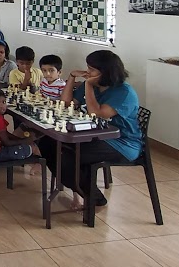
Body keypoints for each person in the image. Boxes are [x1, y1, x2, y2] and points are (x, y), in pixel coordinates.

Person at [39, 50, 141, 211]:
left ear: (105, 72)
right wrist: (72, 77)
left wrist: (87, 85)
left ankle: (93, 197)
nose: (87, 72)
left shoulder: (123, 92)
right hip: (91, 136)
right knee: (47, 143)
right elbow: (65, 103)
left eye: (91, 69)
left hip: (121, 143)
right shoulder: (95, 86)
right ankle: (82, 189)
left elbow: (97, 114)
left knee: (67, 157)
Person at [0, 88, 39, 161]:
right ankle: (40, 165)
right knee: (33, 147)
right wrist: (26, 141)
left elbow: (4, 133)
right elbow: (7, 143)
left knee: (26, 143)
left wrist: (21, 140)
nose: (2, 106)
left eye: (4, 102)